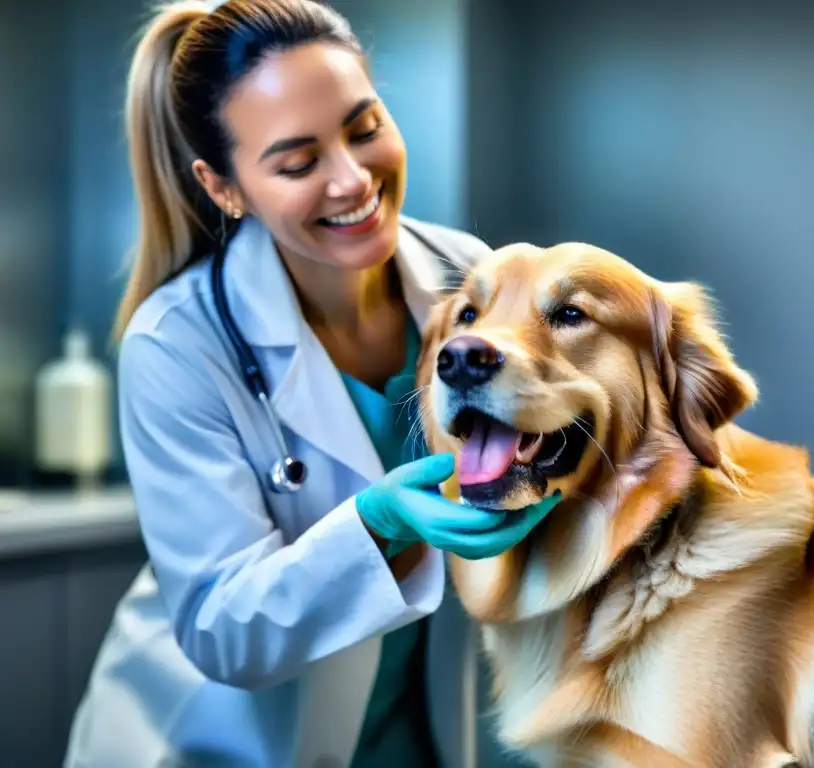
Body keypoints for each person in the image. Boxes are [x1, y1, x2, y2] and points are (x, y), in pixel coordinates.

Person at [62, 1, 559, 766]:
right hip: (221, 743)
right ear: (224, 187)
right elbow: (222, 629)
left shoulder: (468, 273)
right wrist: (376, 526)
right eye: (298, 163)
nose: (353, 179)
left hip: (412, 729)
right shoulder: (179, 342)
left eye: (364, 128)